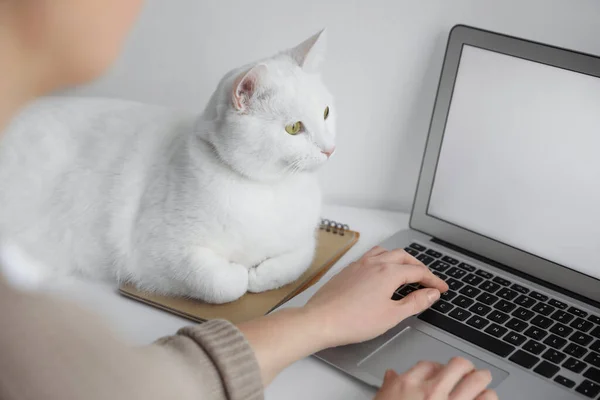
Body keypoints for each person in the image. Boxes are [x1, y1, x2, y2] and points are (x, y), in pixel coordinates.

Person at [0, 1, 498, 399]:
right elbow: (154, 254)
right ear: (241, 101)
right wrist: (230, 284)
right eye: (296, 128)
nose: (326, 145)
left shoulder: (299, 177)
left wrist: (309, 307)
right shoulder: (194, 170)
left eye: (324, 114)